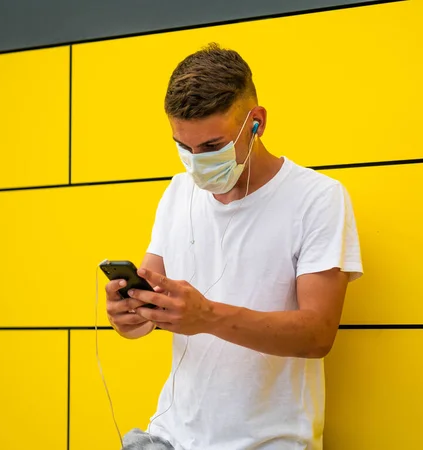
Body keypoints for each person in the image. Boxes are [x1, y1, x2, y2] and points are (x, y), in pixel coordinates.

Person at [105, 42, 363, 450]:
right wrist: (130, 314)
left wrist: (206, 315)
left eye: (212, 147)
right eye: (183, 148)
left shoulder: (317, 197)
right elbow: (151, 309)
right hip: (168, 437)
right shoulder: (176, 193)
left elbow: (317, 335)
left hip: (269, 442)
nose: (196, 163)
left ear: (256, 122)